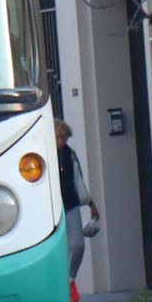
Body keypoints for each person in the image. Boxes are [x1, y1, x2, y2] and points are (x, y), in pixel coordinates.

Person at [55, 119, 100, 280]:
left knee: (78, 245)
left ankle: (70, 278)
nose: (61, 141)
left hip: (71, 204)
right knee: (59, 248)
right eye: (58, 137)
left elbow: (78, 181)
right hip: (52, 208)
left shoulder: (70, 154)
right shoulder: (45, 155)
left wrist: (90, 203)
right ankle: (61, 283)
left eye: (64, 137)